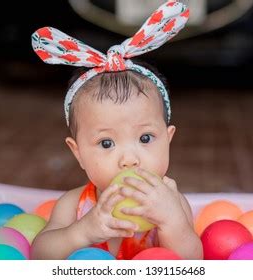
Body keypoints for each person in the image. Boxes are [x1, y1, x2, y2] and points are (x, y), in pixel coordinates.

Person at [30, 0, 203, 260]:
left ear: (168, 140)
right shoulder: (74, 205)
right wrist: (82, 231)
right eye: (106, 143)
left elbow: (193, 263)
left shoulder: (172, 203)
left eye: (146, 138)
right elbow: (40, 256)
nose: (129, 159)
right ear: (78, 153)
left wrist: (171, 223)